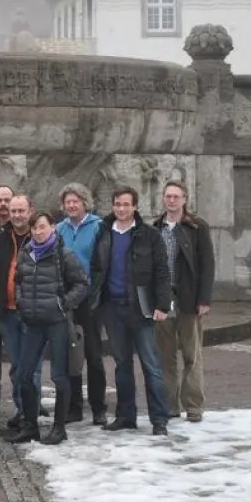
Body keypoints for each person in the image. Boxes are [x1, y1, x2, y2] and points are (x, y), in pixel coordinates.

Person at [94, 186, 172, 436]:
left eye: (126, 204)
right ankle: (126, 415)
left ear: (135, 206)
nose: (121, 209)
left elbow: (162, 271)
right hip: (112, 307)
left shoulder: (149, 235)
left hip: (140, 308)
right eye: (117, 204)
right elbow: (98, 267)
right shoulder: (104, 231)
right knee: (121, 364)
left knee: (151, 365)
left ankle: (159, 419)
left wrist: (162, 304)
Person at [8, 212, 89, 445]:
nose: (38, 232)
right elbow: (18, 282)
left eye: (42, 227)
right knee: (23, 374)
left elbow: (82, 284)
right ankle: (30, 426)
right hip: (32, 322)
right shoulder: (26, 254)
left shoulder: (64, 255)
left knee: (59, 376)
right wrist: (21, 301)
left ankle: (59, 427)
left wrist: (63, 303)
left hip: (57, 322)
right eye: (34, 228)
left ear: (52, 227)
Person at [153, 181, 216, 423]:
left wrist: (204, 298)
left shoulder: (196, 227)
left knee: (192, 355)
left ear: (184, 199)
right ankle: (170, 405)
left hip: (188, 299)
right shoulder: (156, 227)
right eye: (168, 196)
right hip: (163, 301)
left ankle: (194, 406)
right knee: (165, 357)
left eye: (176, 196)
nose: (171, 200)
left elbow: (207, 264)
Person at [0, 194, 41, 431]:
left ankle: (31, 416)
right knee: (17, 366)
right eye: (13, 211)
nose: (16, 215)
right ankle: (22, 409)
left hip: (33, 313)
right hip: (7, 312)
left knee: (32, 366)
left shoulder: (41, 238)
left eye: (21, 211)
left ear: (30, 211)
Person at [56, 182, 108, 426]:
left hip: (90, 299)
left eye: (76, 201)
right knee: (71, 355)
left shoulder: (98, 227)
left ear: (85, 202)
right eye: (68, 202)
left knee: (94, 355)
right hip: (68, 299)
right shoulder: (59, 230)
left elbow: (101, 264)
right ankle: (73, 406)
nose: (72, 205)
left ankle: (99, 407)